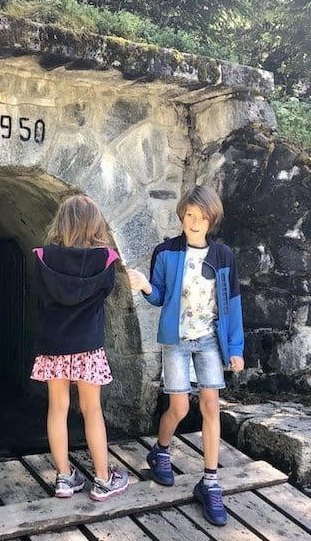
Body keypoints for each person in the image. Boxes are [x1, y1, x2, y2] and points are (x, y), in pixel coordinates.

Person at [126, 185, 245, 526]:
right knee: (178, 407)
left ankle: (210, 482)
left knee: (211, 406)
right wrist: (146, 286)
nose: (194, 222)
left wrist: (235, 349)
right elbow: (159, 296)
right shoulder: (165, 252)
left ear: (211, 219)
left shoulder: (223, 256)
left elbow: (233, 305)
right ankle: (160, 451)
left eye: (201, 217)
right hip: (176, 341)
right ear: (182, 216)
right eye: (189, 215)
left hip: (209, 340)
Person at [31, 195, 129, 502]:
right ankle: (102, 479)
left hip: (54, 344)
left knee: (57, 409)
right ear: (94, 224)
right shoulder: (107, 259)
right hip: (88, 345)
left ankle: (64, 477)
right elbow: (105, 293)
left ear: (61, 221)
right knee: (92, 410)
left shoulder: (42, 257)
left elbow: (40, 293)